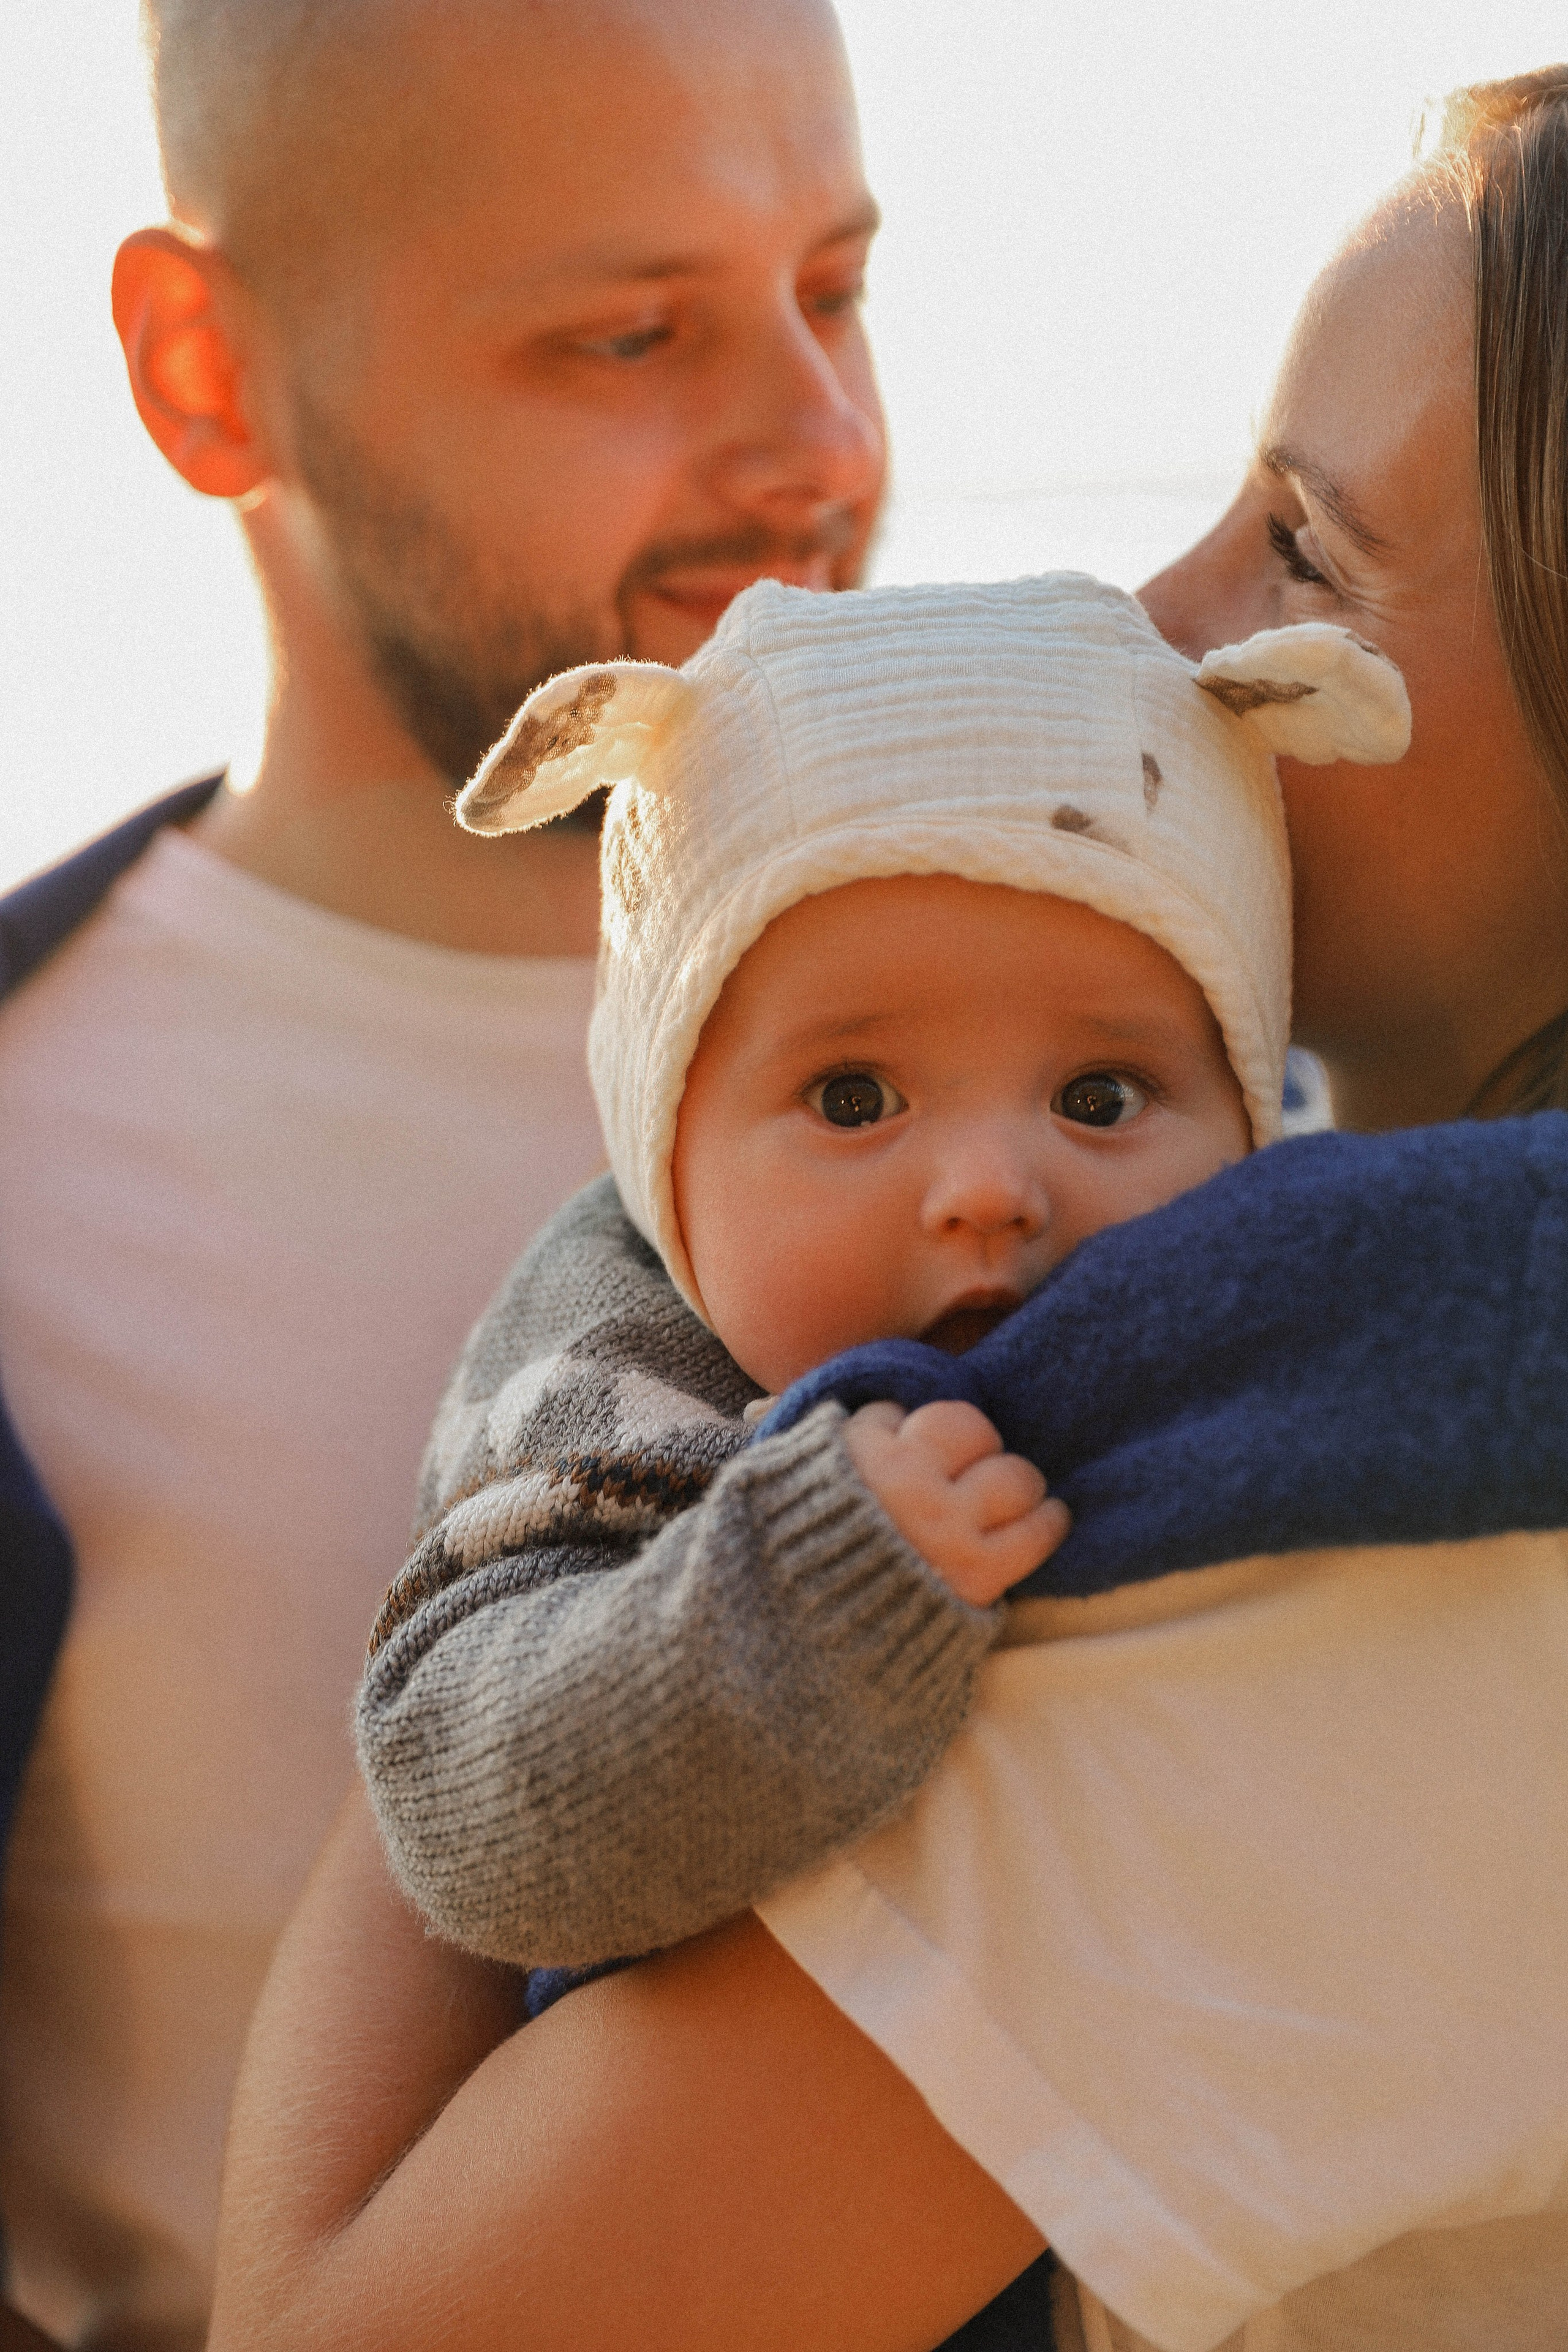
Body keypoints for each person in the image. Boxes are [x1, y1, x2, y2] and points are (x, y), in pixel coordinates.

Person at [205, 65, 1568, 2352]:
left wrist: (561, 1439)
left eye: (1305, 550)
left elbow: (337, 2328)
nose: (1162, 615)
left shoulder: (1361, 1522)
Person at [0, 1, 885, 2343]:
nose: (823, 441)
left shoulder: (1183, 1051)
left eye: (837, 285)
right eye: (632, 332)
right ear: (207, 372)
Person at [355, 571, 1407, 1976]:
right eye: (853, 1100)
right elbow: (454, 1803)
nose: (987, 1190)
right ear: (661, 1146)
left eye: (1097, 1098)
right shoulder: (606, 1363)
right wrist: (804, 1592)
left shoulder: (1316, 1251)